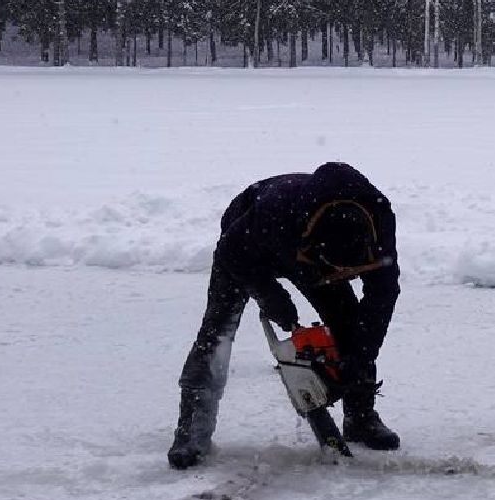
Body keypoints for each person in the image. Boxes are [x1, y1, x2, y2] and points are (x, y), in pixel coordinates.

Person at [168, 161, 402, 468]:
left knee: (349, 321)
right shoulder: (273, 212)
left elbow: (381, 298)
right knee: (217, 329)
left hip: (306, 247)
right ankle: (192, 430)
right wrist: (272, 298)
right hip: (249, 243)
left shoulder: (379, 218)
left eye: (346, 273)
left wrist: (358, 359)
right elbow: (230, 254)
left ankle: (360, 416)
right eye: (333, 271)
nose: (338, 278)